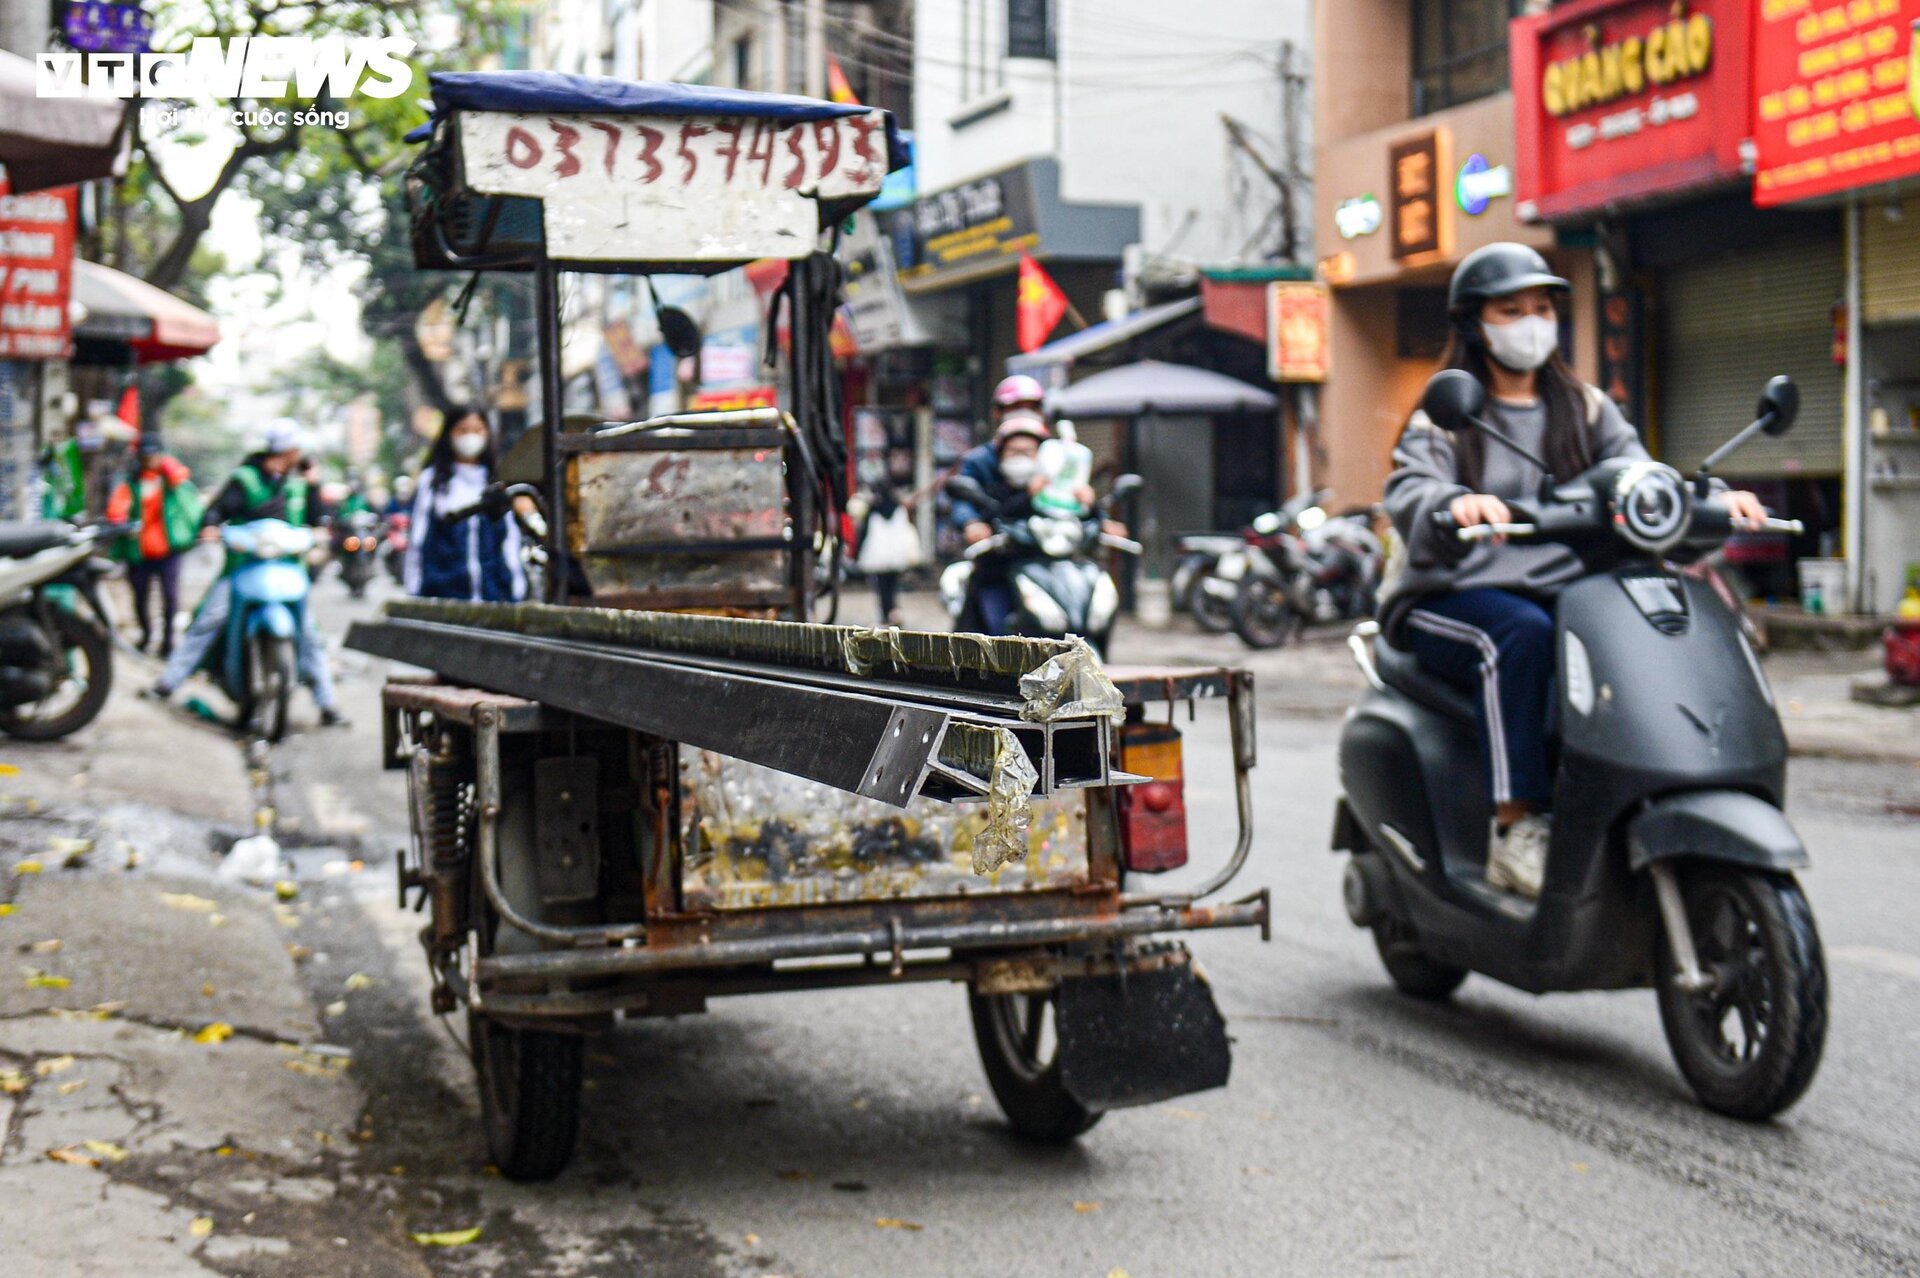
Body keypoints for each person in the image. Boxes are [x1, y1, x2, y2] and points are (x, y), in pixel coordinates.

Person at [1381, 242, 1767, 899]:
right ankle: (1515, 828)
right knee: (1521, 638)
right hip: (1451, 594)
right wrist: (1454, 504)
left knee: (1645, 628)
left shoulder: (1584, 407)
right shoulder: (1444, 417)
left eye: (1542, 307)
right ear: (1475, 322)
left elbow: (1639, 474)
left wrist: (1706, 503)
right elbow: (1414, 491)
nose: (1531, 322)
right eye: (1512, 309)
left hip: (1562, 593)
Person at [146, 419, 346, 726]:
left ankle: (327, 703)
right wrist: (211, 526)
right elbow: (217, 510)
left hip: (287, 570)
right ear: (289, 449)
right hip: (244, 568)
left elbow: (317, 517)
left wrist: (315, 485)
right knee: (209, 619)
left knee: (308, 632)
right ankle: (167, 683)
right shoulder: (246, 478)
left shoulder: (297, 483)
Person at [403, 406, 527, 603]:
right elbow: (418, 539)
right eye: (462, 430)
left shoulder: (496, 482)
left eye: (477, 430)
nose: (470, 437)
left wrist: (515, 591)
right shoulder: (433, 481)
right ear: (449, 434)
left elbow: (509, 543)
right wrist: (415, 590)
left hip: (491, 598)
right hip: (443, 598)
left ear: (487, 434)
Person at [949, 409, 1050, 634]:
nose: (1020, 457)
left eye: (1028, 451)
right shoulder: (992, 487)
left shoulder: (1053, 488)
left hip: (1045, 570)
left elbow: (1078, 513)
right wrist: (972, 524)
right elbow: (994, 512)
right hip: (997, 572)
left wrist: (1095, 511)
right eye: (1014, 451)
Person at [104, 433, 199, 658]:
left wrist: (170, 469)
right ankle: (146, 636)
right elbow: (116, 510)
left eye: (154, 455)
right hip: (139, 552)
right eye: (145, 456)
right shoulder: (131, 483)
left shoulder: (171, 480)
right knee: (139, 598)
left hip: (167, 551)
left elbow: (186, 490)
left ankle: (168, 643)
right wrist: (120, 520)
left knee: (170, 598)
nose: (150, 460)